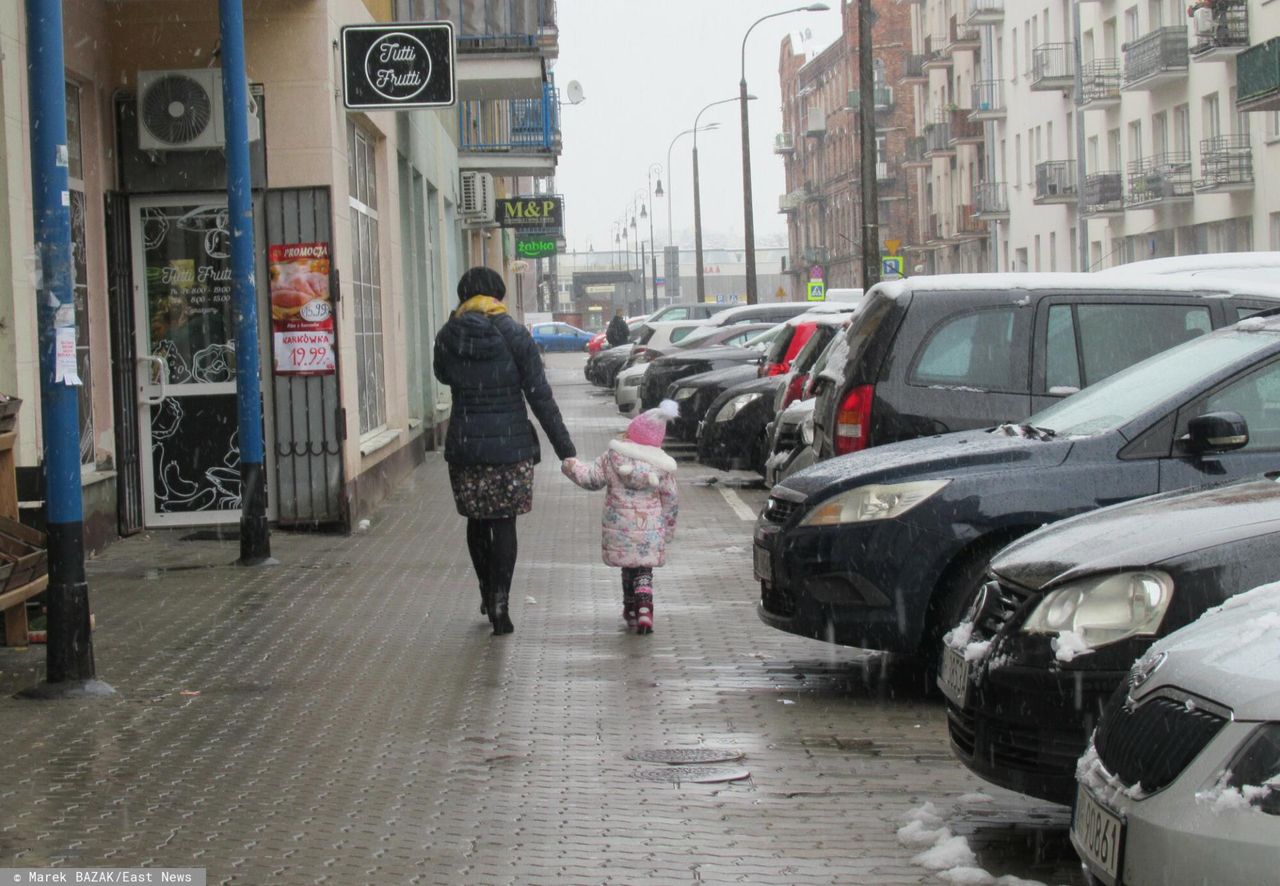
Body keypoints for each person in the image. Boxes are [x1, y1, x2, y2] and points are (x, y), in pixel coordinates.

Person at [434, 266, 576, 635]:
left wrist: (454, 326)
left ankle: (485, 588)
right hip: (510, 448)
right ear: (498, 296)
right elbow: (539, 395)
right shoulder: (514, 334)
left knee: (477, 520)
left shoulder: (449, 334)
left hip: (466, 446)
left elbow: (442, 374)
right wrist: (566, 449)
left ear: (463, 296)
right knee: (504, 522)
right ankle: (500, 599)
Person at [561, 401, 679, 634]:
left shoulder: (612, 457)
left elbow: (591, 479)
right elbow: (671, 499)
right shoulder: (662, 466)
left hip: (621, 529)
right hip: (649, 529)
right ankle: (645, 609)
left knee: (628, 567)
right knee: (644, 569)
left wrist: (572, 466)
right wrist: (668, 528)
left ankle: (631, 610)